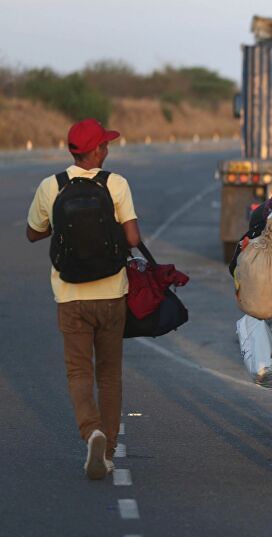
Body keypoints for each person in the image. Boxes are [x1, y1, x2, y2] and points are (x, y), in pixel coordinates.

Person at [26, 118, 141, 480]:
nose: (107, 150)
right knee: (109, 375)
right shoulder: (116, 184)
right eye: (104, 146)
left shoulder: (51, 186)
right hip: (111, 293)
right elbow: (133, 239)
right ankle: (107, 452)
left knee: (78, 371)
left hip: (70, 294)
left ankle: (90, 430)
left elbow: (33, 232)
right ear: (94, 151)